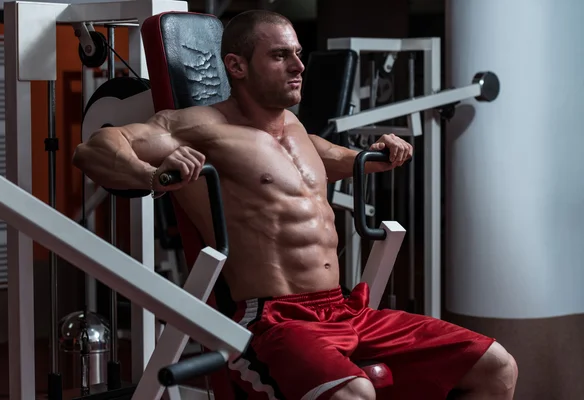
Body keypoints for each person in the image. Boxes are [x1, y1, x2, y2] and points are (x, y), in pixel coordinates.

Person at [72, 9, 518, 400]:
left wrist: (375, 154)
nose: (298, 65)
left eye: (298, 54)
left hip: (347, 310)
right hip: (274, 321)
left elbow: (334, 159)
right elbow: (94, 148)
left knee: (496, 367)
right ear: (236, 66)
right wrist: (153, 176)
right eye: (281, 55)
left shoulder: (295, 129)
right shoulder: (195, 128)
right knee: (355, 393)